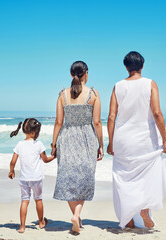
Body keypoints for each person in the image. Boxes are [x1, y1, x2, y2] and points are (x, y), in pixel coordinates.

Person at [107, 51, 166, 229]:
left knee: (123, 178)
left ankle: (127, 219)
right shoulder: (150, 84)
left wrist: (111, 142)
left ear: (126, 67)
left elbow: (112, 116)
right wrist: (165, 139)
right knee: (147, 176)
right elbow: (157, 113)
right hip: (145, 137)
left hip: (123, 139)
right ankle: (144, 209)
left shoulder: (118, 86)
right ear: (142, 66)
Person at [51, 61, 104, 234]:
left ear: (71, 74)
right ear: (86, 73)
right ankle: (77, 214)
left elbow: (58, 122)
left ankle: (75, 216)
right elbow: (96, 122)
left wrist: (53, 145)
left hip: (66, 138)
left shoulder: (62, 94)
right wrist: (101, 145)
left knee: (68, 179)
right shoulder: (93, 94)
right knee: (84, 179)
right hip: (87, 139)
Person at [8, 118, 55, 233]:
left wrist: (11, 171)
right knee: (38, 199)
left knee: (24, 201)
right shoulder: (38, 144)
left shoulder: (20, 144)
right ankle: (41, 222)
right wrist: (55, 156)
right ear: (35, 132)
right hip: (36, 178)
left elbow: (13, 161)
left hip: (24, 179)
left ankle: (22, 227)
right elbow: (45, 160)